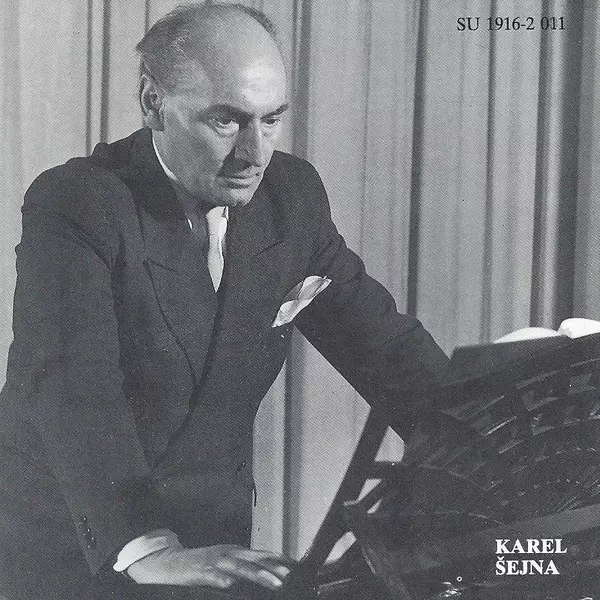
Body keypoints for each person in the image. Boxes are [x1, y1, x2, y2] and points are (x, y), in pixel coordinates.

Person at [0, 3, 448, 599]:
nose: (254, 153)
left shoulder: (291, 196)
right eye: (226, 121)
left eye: (272, 120)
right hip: (76, 550)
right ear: (153, 103)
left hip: (213, 545)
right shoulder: (78, 202)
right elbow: (73, 387)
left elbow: (385, 348)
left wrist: (482, 437)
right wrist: (146, 548)